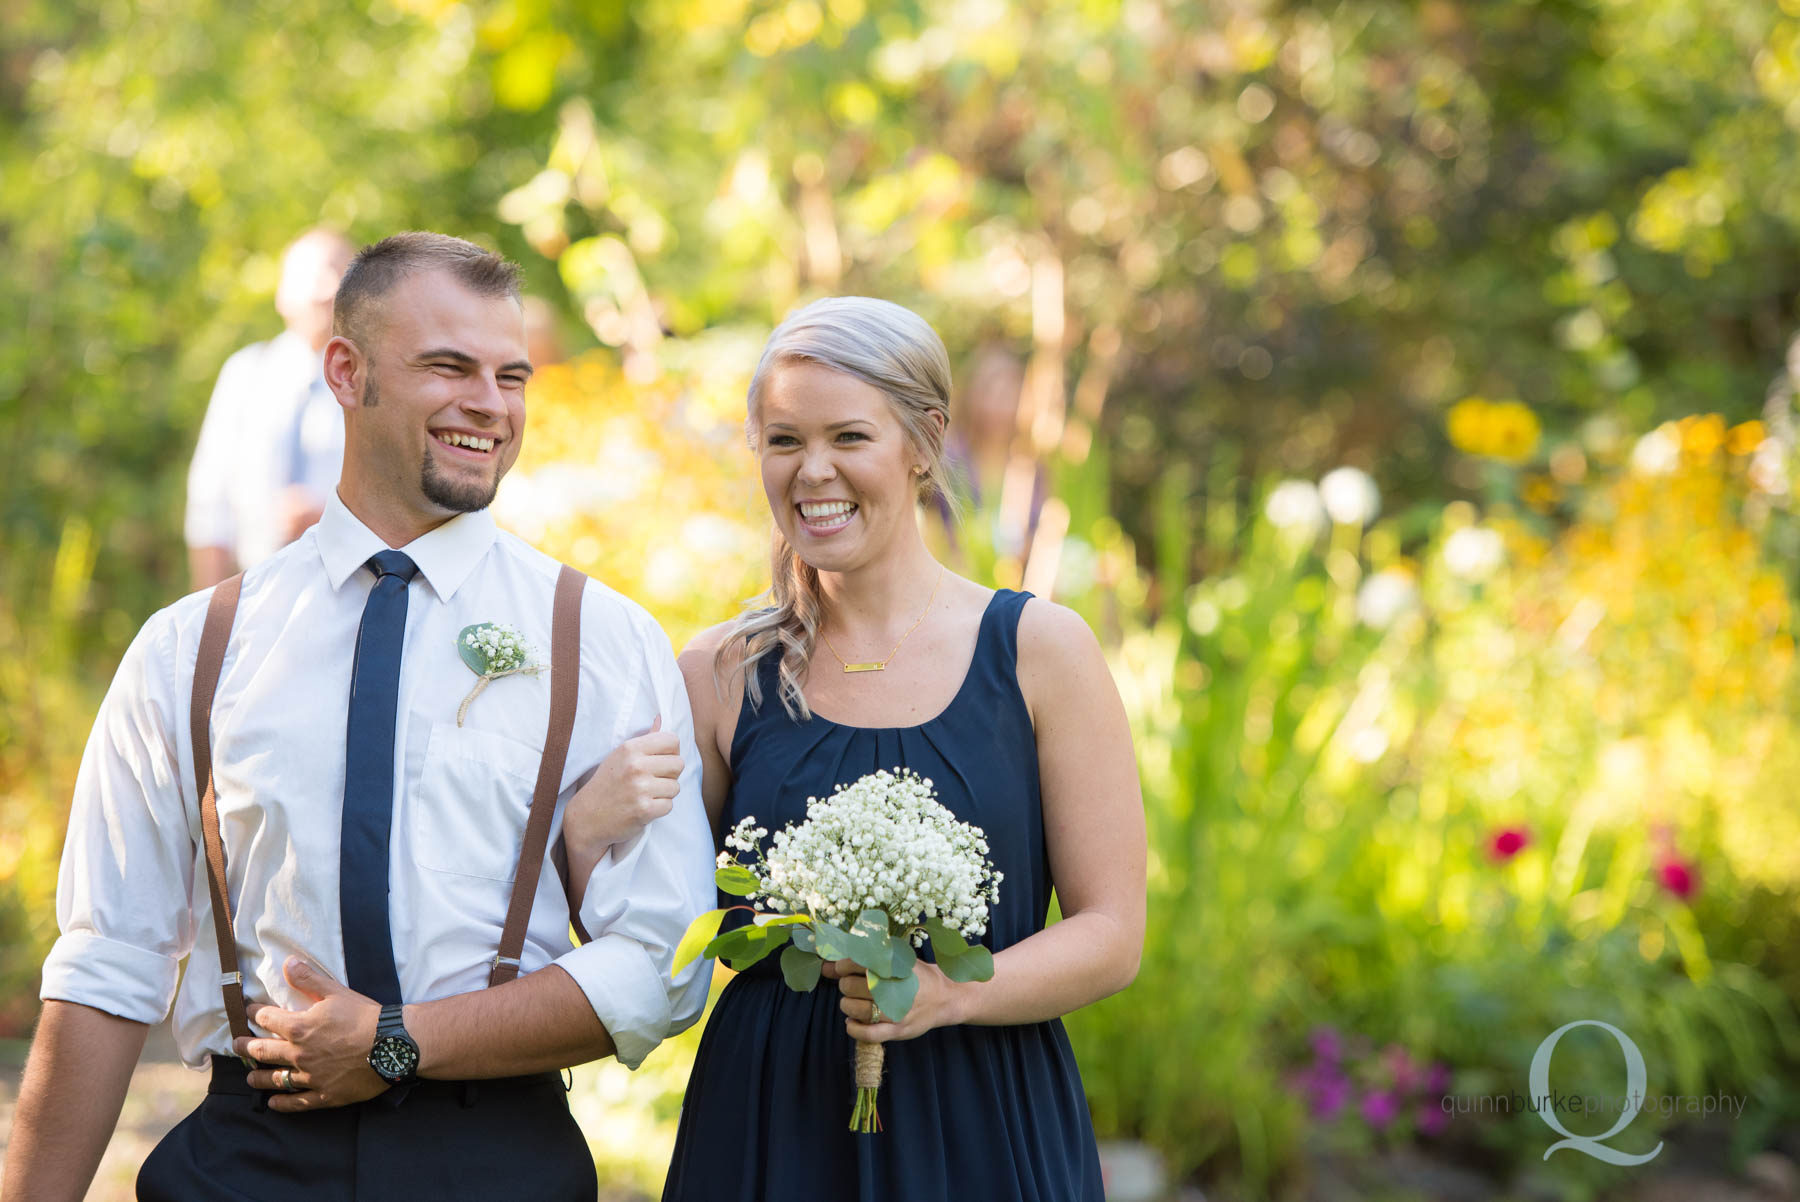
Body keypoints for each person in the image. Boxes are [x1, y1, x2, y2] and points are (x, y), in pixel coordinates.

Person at [2, 232, 716, 1202]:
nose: (491, 404)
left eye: (511, 375)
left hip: (494, 1159)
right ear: (346, 369)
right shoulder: (191, 650)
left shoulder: (600, 639)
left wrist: (396, 1041)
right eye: (448, 367)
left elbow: (662, 964)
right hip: (248, 1153)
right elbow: (106, 966)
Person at [564, 296, 1147, 1200]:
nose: (813, 472)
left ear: (924, 442)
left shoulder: (1039, 650)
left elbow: (1112, 935)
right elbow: (650, 929)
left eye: (849, 437)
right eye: (784, 440)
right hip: (772, 1119)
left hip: (985, 1112)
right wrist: (583, 831)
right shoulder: (720, 673)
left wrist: (954, 993)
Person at [185, 228, 356, 590]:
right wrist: (210, 613)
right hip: (254, 588)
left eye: (338, 273)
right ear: (282, 294)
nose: (325, 288)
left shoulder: (377, 385)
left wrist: (335, 517)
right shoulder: (246, 373)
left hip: (348, 589)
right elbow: (209, 504)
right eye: (311, 275)